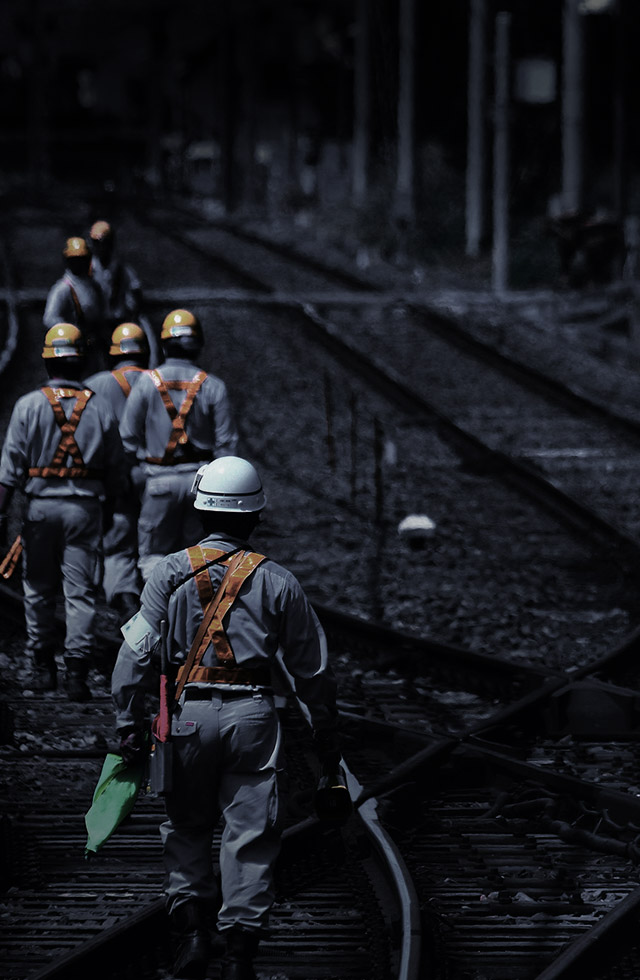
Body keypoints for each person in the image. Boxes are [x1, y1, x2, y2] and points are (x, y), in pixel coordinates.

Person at [111, 455, 340, 980]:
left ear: (198, 510)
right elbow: (313, 671)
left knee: (187, 826)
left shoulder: (168, 571)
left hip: (185, 716)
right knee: (251, 833)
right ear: (255, 516)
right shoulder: (280, 582)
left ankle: (194, 933)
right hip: (253, 716)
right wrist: (326, 731)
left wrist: (126, 715)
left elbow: (135, 653)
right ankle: (240, 953)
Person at [0, 324, 129, 700]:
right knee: (80, 593)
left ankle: (42, 668)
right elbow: (117, 468)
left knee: (38, 589)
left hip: (40, 510)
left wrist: (2, 516)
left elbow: (9, 472)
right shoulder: (101, 406)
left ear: (46, 360)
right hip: (85, 510)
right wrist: (111, 509)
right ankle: (76, 674)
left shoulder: (28, 405)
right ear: (81, 360)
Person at [119, 308, 238, 582]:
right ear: (198, 345)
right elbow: (227, 445)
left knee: (154, 557)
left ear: (162, 344)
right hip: (202, 484)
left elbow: (127, 438)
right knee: (198, 557)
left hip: (158, 481)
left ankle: (158, 611)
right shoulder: (213, 386)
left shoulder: (146, 383)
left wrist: (133, 477)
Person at [85, 323, 150, 624]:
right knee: (156, 547)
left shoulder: (95, 385)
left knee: (118, 549)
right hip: (154, 477)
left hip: (116, 480)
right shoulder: (159, 382)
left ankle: (127, 604)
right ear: (145, 353)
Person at [89, 220, 161, 366]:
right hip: (96, 326)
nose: (102, 247)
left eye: (105, 243)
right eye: (97, 243)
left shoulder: (122, 270)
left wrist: (132, 310)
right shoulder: (89, 270)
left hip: (118, 323)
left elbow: (135, 292)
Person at [43, 236, 107, 373]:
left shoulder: (94, 285)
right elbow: (49, 318)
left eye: (82, 259)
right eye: (74, 260)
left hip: (94, 348)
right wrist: (72, 331)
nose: (79, 264)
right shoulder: (63, 288)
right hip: (74, 350)